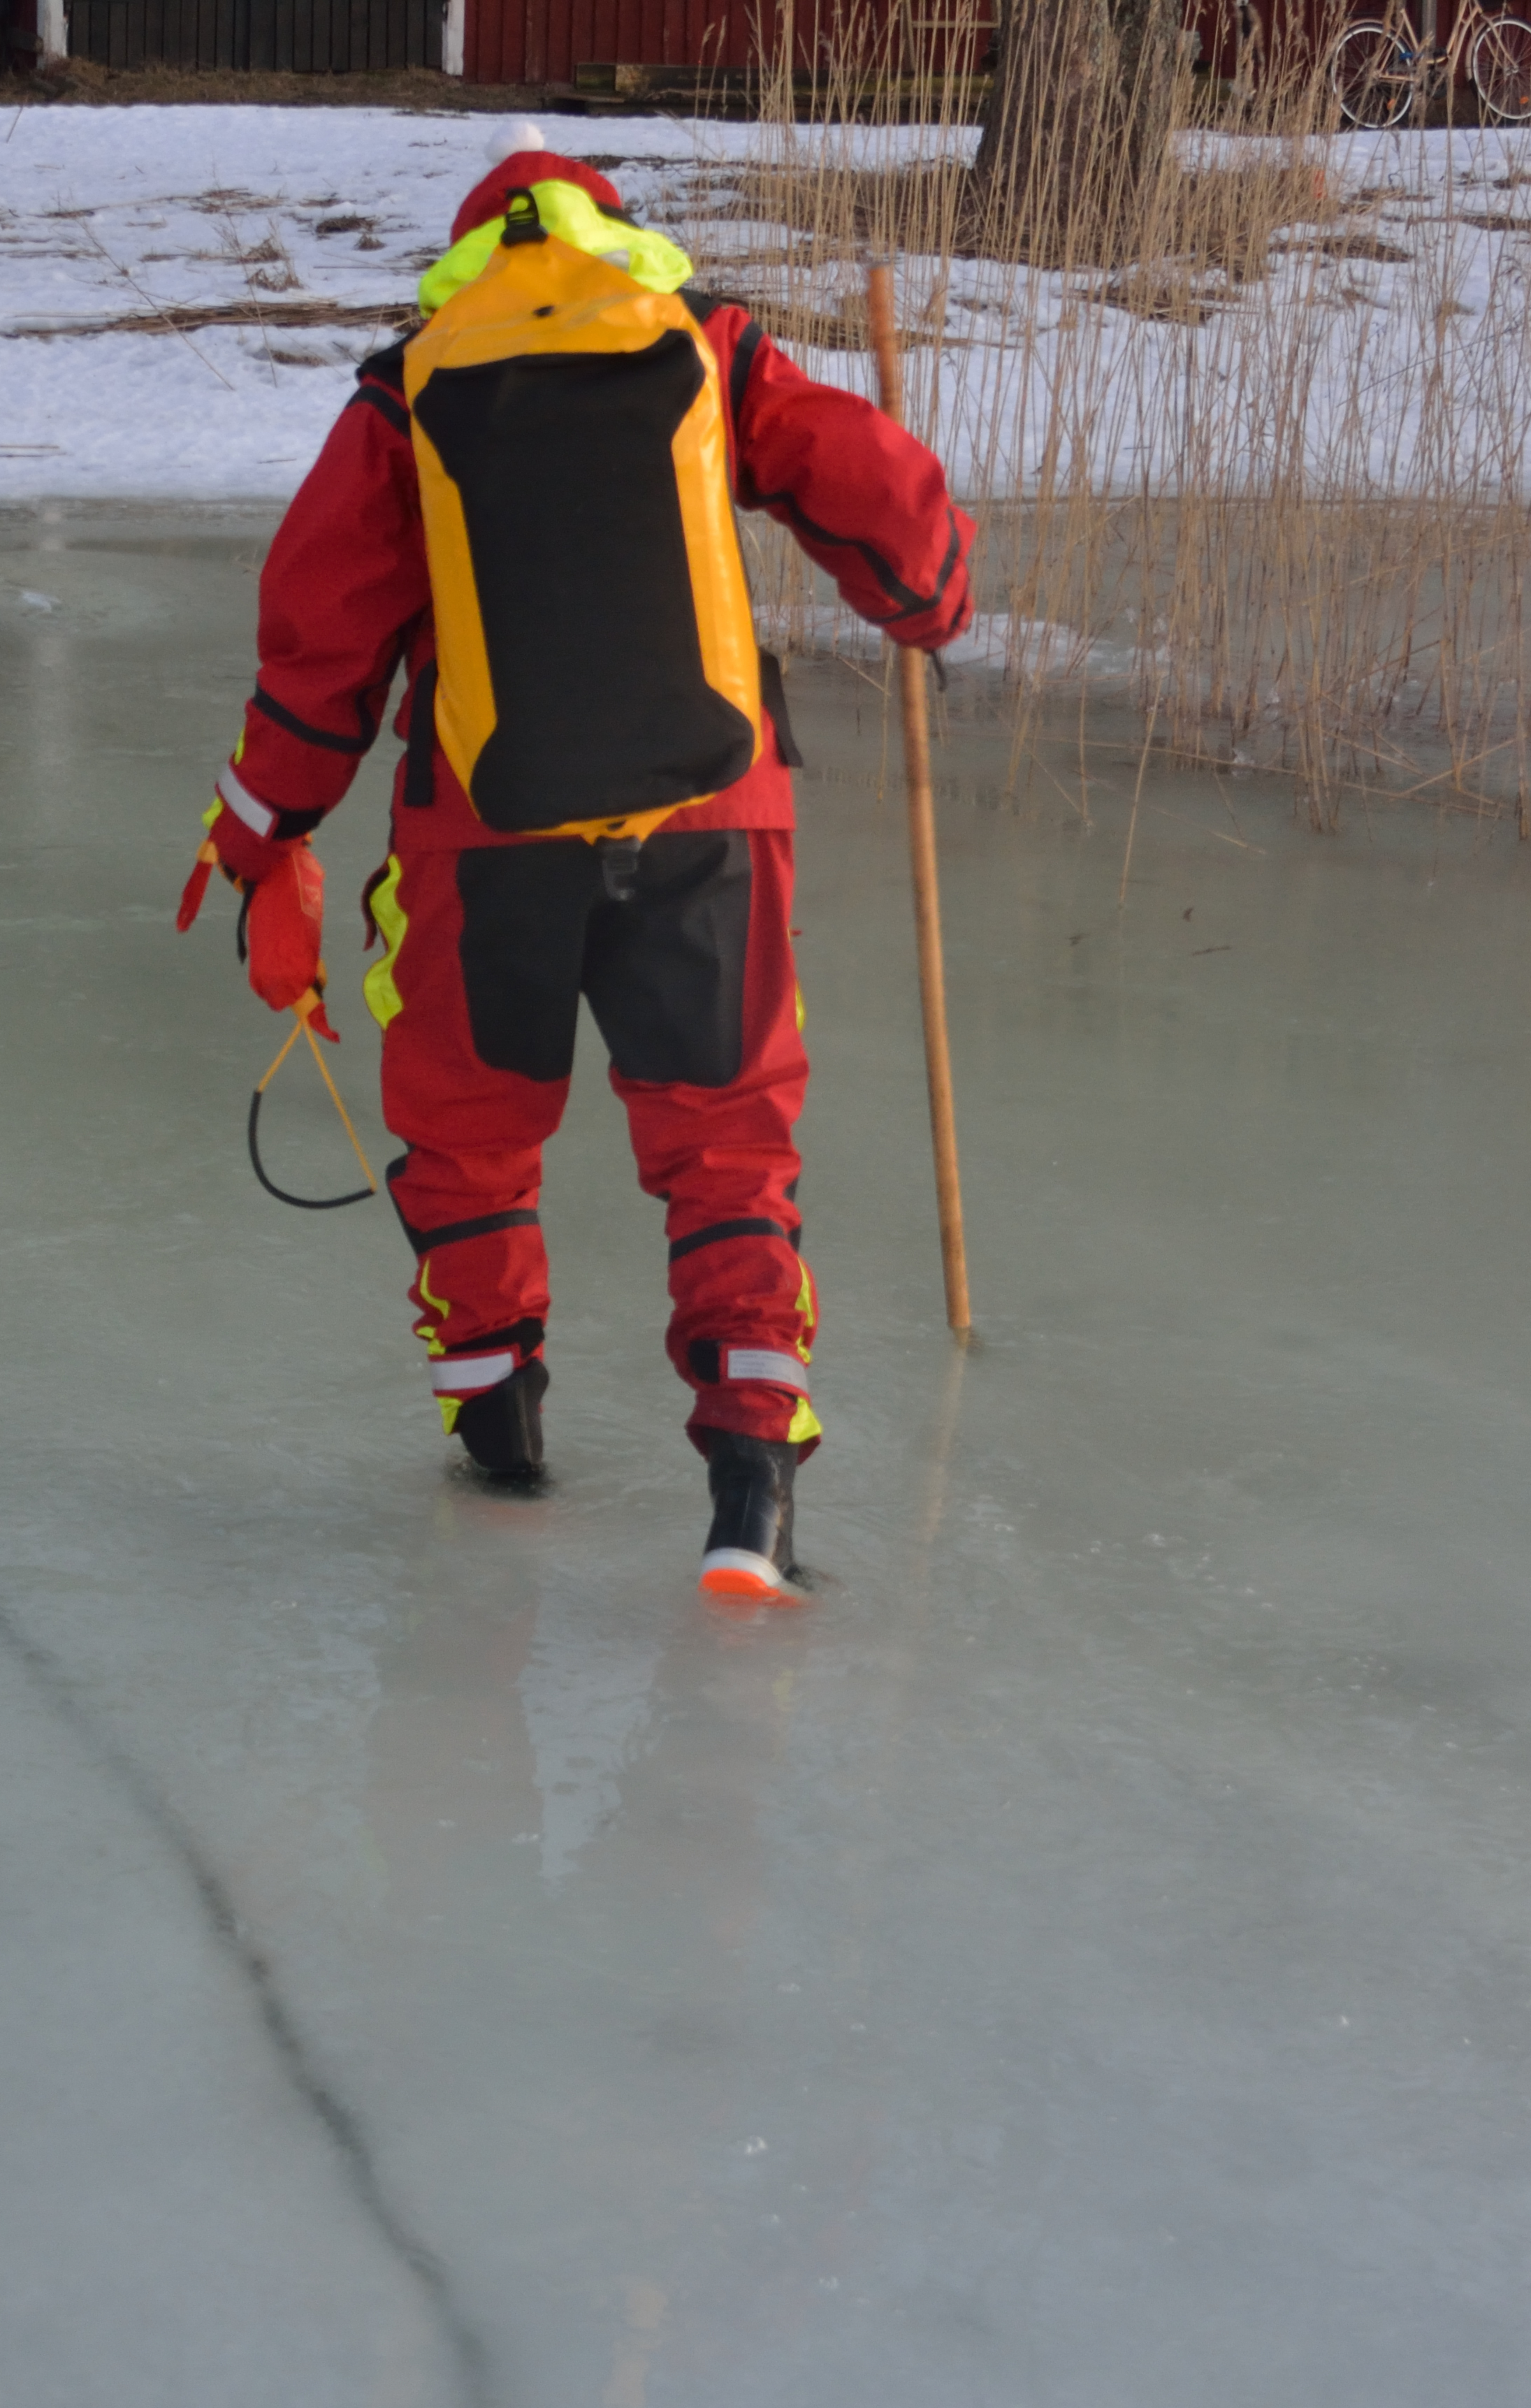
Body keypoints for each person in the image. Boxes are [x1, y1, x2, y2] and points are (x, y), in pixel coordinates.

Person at [185, 135, 974, 1601]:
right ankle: (752, 1474)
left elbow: (321, 642)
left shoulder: (409, 385)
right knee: (726, 1144)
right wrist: (925, 594)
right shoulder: (704, 343)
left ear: (473, 254)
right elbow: (871, 475)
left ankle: (500, 1425)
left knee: (469, 1130)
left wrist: (259, 833)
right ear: (620, 237)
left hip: (487, 840)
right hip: (713, 824)